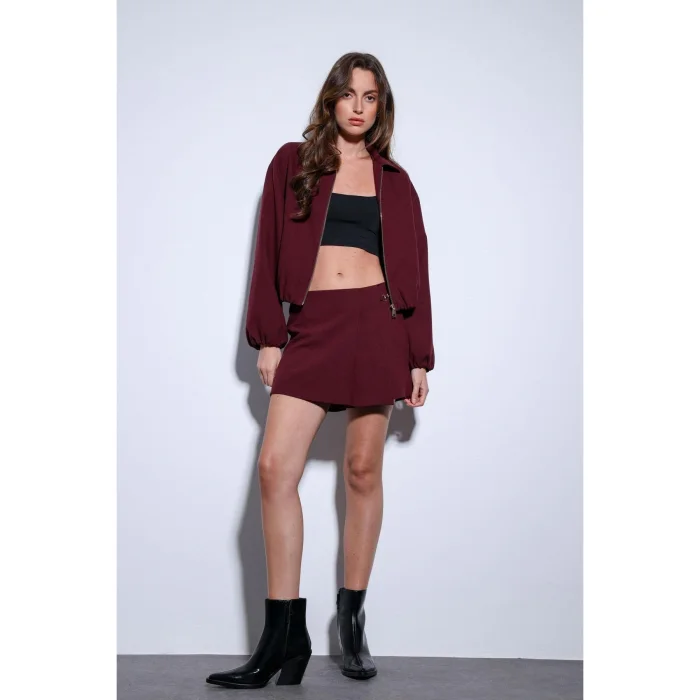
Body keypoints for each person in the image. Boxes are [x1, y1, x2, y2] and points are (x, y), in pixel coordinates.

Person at [206, 52, 435, 690]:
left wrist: (419, 354)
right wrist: (269, 336)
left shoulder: (396, 181)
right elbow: (268, 250)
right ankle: (284, 634)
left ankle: (352, 621)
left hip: (379, 326)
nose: (359, 107)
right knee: (275, 469)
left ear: (381, 106)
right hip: (314, 326)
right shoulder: (293, 162)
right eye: (349, 94)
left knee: (362, 471)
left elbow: (416, 268)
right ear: (331, 98)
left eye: (371, 96)